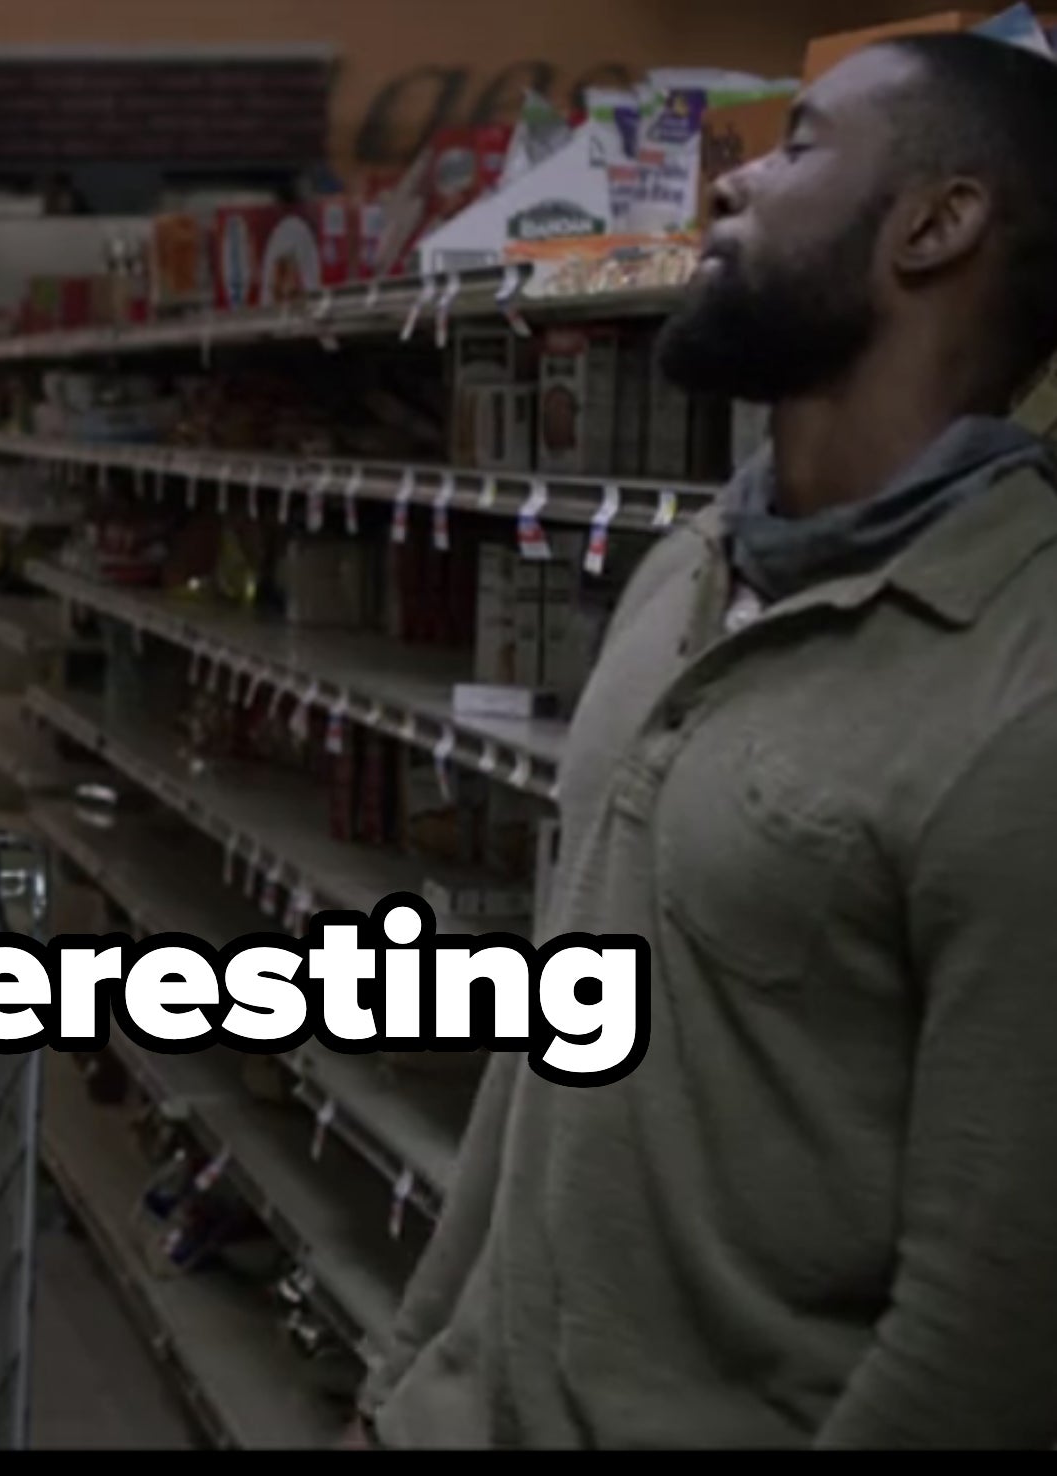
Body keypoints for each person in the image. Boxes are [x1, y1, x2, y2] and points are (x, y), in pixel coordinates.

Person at [357, 35, 1057, 1449]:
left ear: (937, 224)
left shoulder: (1018, 689)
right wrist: (400, 1385)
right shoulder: (685, 571)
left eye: (798, 145)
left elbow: (986, 1334)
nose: (728, 182)